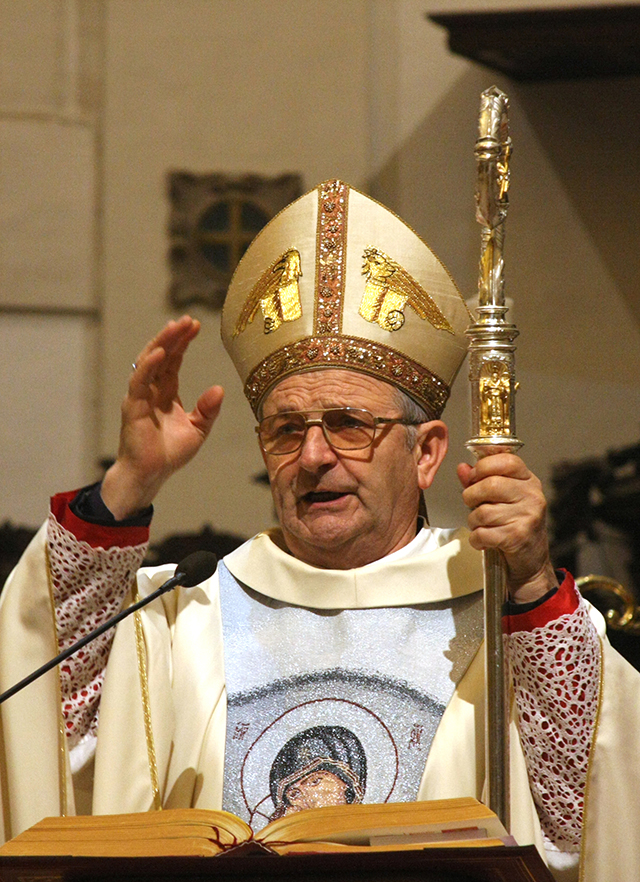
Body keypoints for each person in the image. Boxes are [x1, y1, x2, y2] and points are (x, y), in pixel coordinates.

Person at [1, 181, 639, 881]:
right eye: (285, 429)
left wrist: (533, 580)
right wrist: (130, 482)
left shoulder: (505, 613)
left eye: (348, 424)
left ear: (426, 453)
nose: (311, 456)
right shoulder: (185, 615)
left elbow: (580, 802)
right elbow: (49, 706)